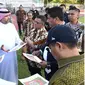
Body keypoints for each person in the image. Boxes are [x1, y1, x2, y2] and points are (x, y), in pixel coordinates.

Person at [0, 8, 23, 84]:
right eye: (6, 16)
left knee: (12, 71)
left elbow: (17, 39)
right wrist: (1, 47)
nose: (9, 17)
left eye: (9, 16)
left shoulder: (11, 26)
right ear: (1, 17)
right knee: (3, 72)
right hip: (2, 55)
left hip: (12, 54)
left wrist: (21, 42)